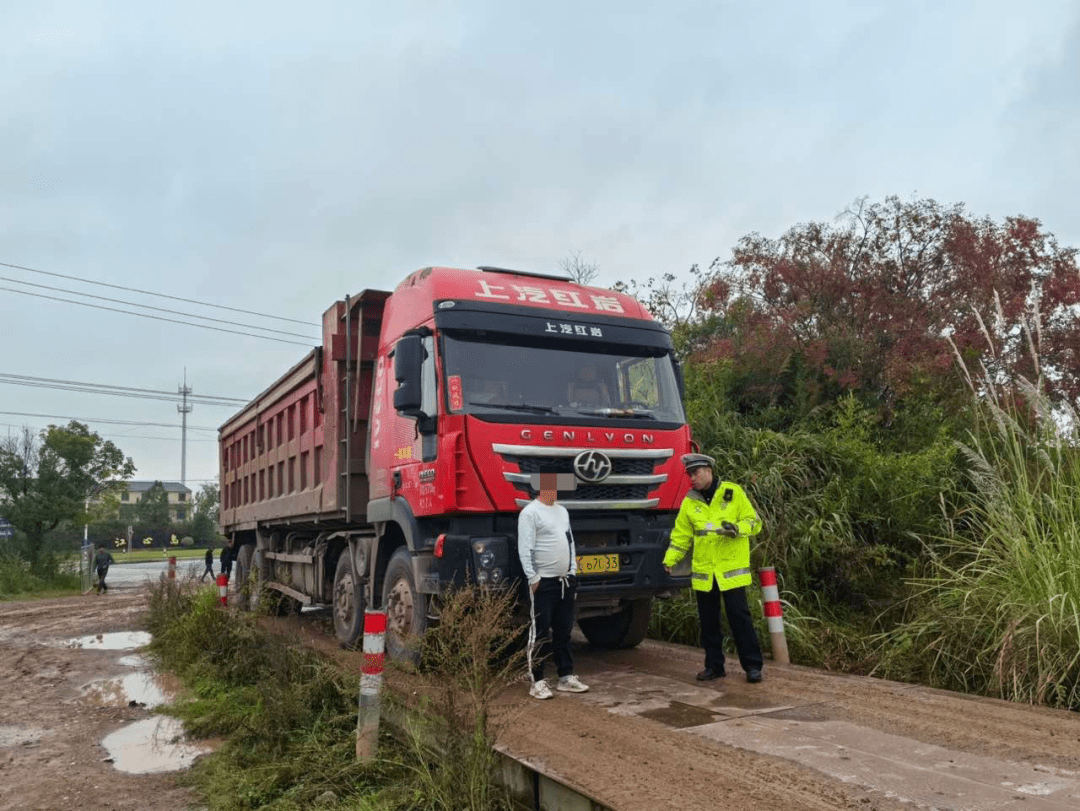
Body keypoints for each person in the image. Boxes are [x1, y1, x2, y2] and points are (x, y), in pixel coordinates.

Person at [663, 453, 765, 683]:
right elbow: (681, 536)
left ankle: (752, 666)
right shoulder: (690, 501)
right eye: (689, 474)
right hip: (705, 573)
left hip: (731, 571)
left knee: (739, 618)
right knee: (708, 622)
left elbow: (754, 522)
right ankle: (714, 666)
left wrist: (736, 528)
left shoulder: (732, 493)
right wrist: (670, 559)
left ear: (708, 470)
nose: (692, 478)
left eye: (695, 473)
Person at [517, 464, 589, 699]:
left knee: (564, 631)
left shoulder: (562, 511)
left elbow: (570, 542)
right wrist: (533, 577)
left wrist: (573, 571)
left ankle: (566, 676)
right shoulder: (530, 513)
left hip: (565, 582)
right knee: (539, 633)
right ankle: (536, 680)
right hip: (543, 583)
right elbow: (525, 548)